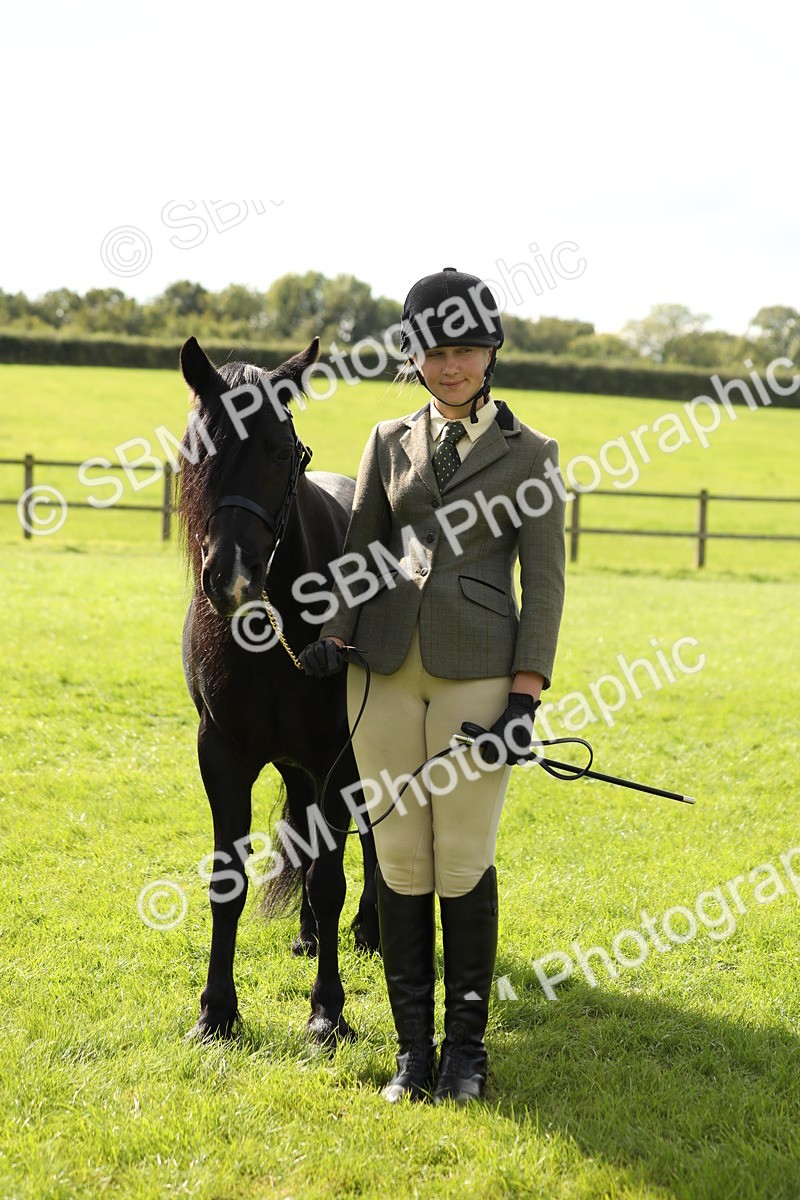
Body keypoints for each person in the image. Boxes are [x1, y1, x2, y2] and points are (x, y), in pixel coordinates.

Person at [299, 268, 566, 1105]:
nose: (450, 366)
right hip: (380, 673)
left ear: (491, 353)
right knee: (398, 859)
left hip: (477, 679)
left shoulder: (533, 455)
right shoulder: (385, 441)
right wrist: (332, 632)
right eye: (433, 351)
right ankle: (415, 1054)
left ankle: (467, 1053)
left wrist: (523, 699)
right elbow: (361, 553)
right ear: (412, 357)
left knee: (459, 858)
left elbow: (546, 582)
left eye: (464, 350)